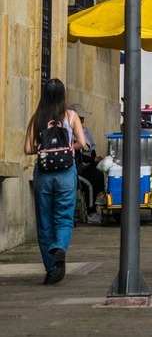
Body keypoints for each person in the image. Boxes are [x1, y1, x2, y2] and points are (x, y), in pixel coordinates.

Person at [24, 79, 87, 285]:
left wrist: (44, 148)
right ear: (62, 96)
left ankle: (51, 268)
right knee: (64, 217)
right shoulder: (71, 116)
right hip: (66, 173)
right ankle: (60, 246)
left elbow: (27, 148)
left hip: (43, 174)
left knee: (44, 222)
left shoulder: (37, 118)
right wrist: (67, 146)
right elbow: (82, 143)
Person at [69, 103, 105, 225]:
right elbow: (77, 152)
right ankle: (91, 212)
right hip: (75, 168)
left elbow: (91, 149)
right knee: (89, 184)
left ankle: (101, 194)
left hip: (84, 165)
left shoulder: (85, 131)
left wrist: (94, 160)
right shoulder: (69, 134)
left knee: (98, 170)